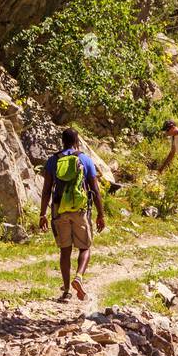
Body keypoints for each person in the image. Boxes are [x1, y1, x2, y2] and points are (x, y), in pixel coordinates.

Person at [39, 128, 105, 302]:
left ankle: (67, 290)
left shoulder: (53, 161)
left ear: (62, 141)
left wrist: (42, 214)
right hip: (80, 210)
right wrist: (101, 215)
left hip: (60, 209)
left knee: (65, 250)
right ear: (77, 141)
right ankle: (79, 277)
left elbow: (46, 191)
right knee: (85, 247)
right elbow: (95, 190)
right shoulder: (84, 159)